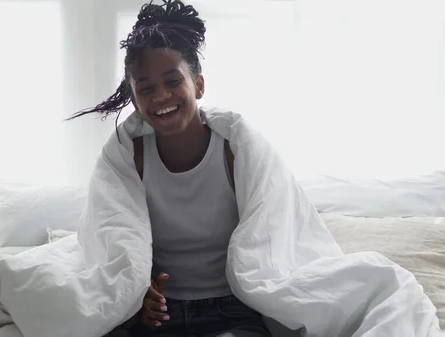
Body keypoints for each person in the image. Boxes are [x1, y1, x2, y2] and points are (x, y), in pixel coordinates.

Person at [68, 1, 300, 337]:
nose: (161, 95)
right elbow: (111, 240)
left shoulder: (236, 150)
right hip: (157, 313)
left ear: (199, 85)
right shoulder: (128, 157)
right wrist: (134, 293)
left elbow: (273, 237)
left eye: (172, 81)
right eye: (146, 88)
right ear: (134, 100)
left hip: (233, 310)